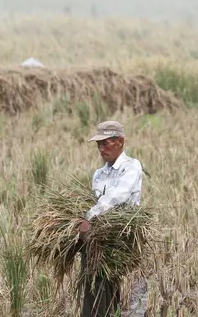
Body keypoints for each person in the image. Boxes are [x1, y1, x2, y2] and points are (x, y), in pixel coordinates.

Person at [78, 120, 144, 317]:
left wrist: (88, 217)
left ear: (120, 142)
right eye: (99, 144)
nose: (101, 148)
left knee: (104, 284)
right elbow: (96, 200)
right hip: (95, 236)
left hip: (118, 236)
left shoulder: (132, 166)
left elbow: (117, 197)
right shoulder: (99, 174)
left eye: (106, 143)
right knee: (92, 282)